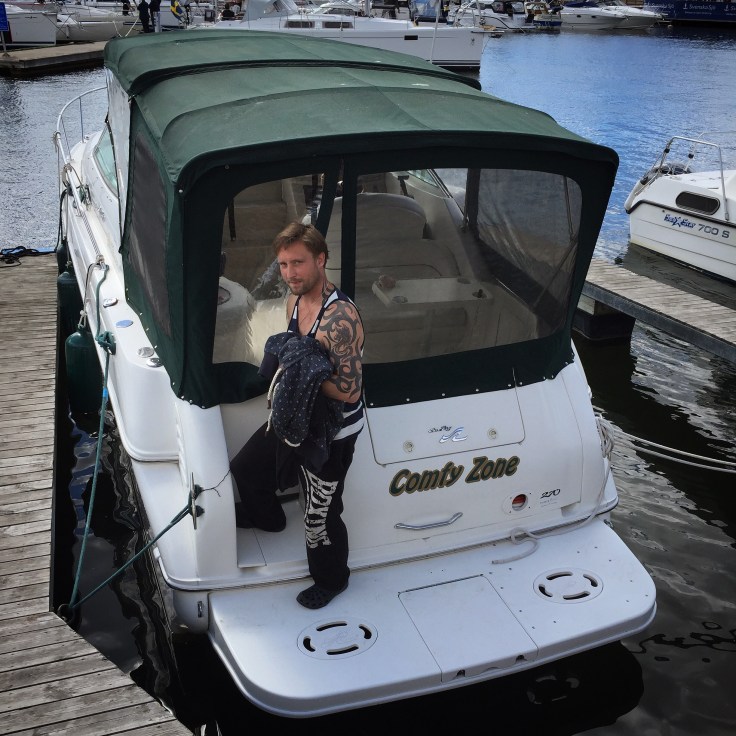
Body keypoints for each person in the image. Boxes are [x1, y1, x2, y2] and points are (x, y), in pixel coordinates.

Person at [230, 222, 364, 610]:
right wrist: (295, 369)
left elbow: (350, 390)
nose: (290, 273)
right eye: (284, 264)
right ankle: (268, 518)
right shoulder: (293, 301)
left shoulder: (339, 319)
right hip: (294, 415)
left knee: (319, 513)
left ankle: (333, 579)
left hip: (332, 430)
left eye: (298, 263)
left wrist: (302, 372)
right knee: (246, 468)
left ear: (321, 260)